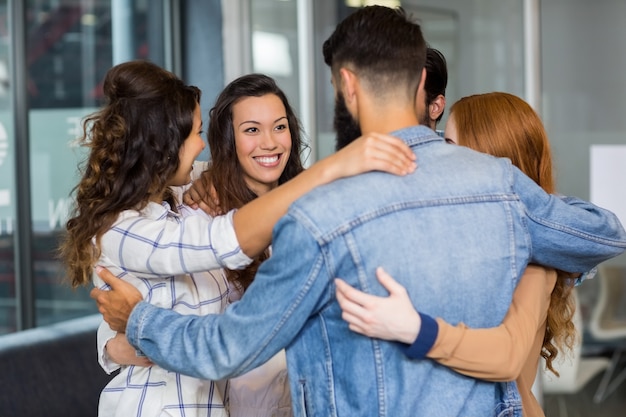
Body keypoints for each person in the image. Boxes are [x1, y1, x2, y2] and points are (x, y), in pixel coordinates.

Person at [90, 6, 626, 417]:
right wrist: (529, 245)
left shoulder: (320, 218)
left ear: (346, 86)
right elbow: (604, 233)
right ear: (422, 83)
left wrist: (136, 320)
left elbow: (227, 348)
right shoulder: (501, 185)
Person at [59, 59, 416, 417]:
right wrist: (120, 342)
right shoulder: (186, 213)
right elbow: (207, 250)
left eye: (279, 127)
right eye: (251, 130)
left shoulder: (309, 207)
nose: (269, 142)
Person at [335, 91, 579, 417]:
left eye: (449, 147)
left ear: (485, 159)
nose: (438, 159)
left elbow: (507, 356)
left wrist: (415, 329)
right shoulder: (463, 239)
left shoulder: (529, 253)